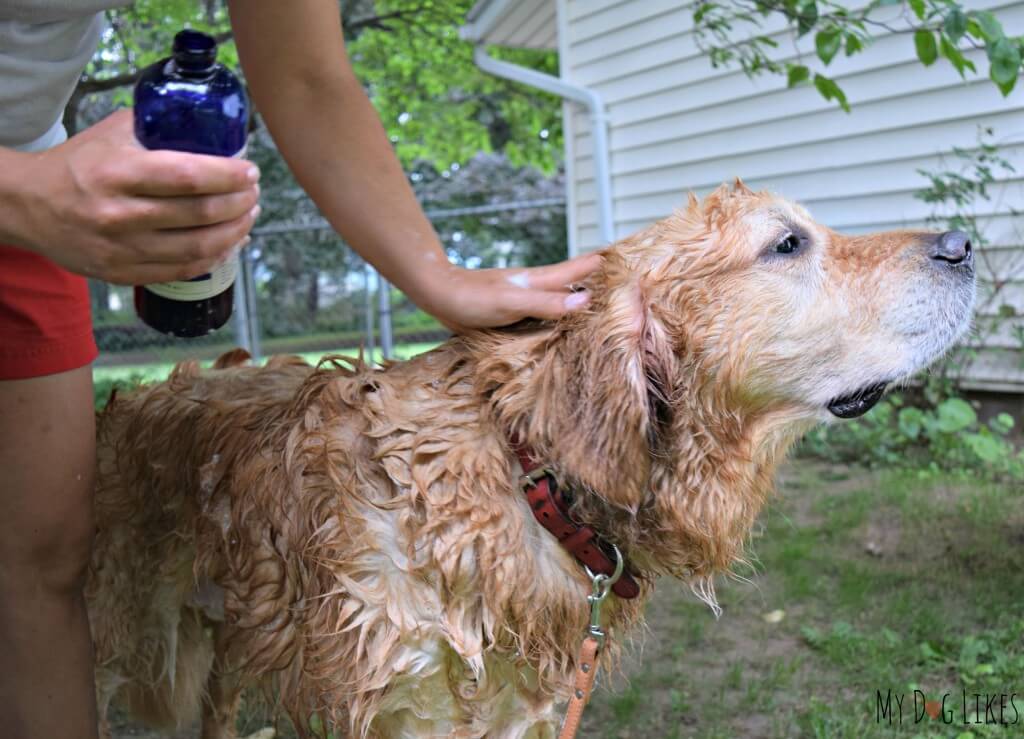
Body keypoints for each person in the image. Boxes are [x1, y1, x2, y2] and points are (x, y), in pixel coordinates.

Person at [0, 2, 601, 737]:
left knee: (38, 562)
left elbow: (307, 74)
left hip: (23, 182)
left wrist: (439, 276)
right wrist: (23, 194)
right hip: (23, 190)